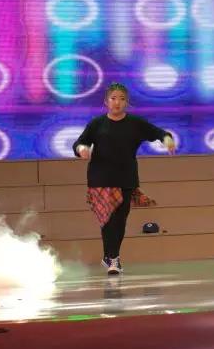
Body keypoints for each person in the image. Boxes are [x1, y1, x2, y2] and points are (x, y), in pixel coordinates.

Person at [73, 82, 175, 275]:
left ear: (127, 102)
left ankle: (111, 257)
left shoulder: (135, 123)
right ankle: (113, 258)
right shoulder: (97, 123)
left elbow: (158, 133)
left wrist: (167, 140)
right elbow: (80, 142)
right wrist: (82, 149)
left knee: (120, 220)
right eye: (113, 98)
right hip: (100, 179)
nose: (117, 102)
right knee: (107, 220)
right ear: (106, 101)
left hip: (126, 177)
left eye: (121, 99)